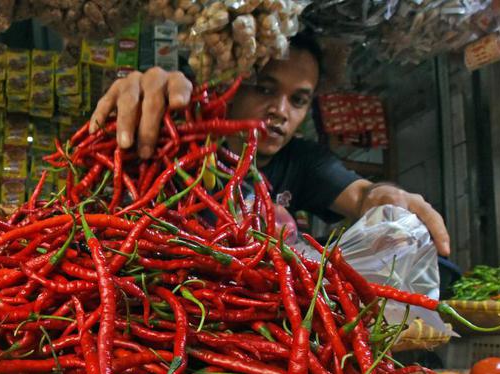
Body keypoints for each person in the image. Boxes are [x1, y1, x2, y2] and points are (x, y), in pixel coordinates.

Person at [89, 32, 451, 256]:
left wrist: (385, 198)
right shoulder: (176, 143)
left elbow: (361, 195)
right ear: (229, 85)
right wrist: (140, 97)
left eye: (298, 101)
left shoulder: (304, 161)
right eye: (264, 89)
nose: (280, 112)